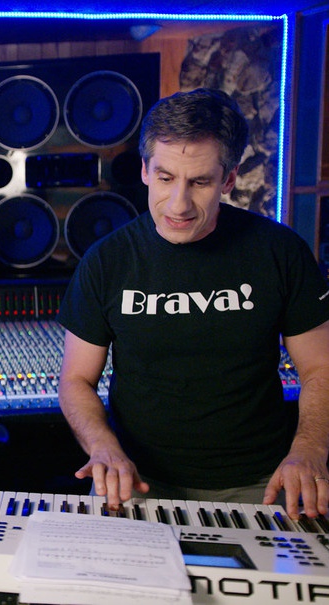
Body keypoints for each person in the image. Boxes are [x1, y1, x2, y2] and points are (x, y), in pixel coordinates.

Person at [57, 88, 329, 520]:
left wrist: (309, 451)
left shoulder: (280, 252)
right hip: (137, 482)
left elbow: (320, 368)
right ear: (145, 170)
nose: (179, 204)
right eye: (165, 178)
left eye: (199, 182)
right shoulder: (107, 261)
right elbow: (75, 380)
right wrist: (103, 446)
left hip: (264, 482)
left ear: (228, 179)